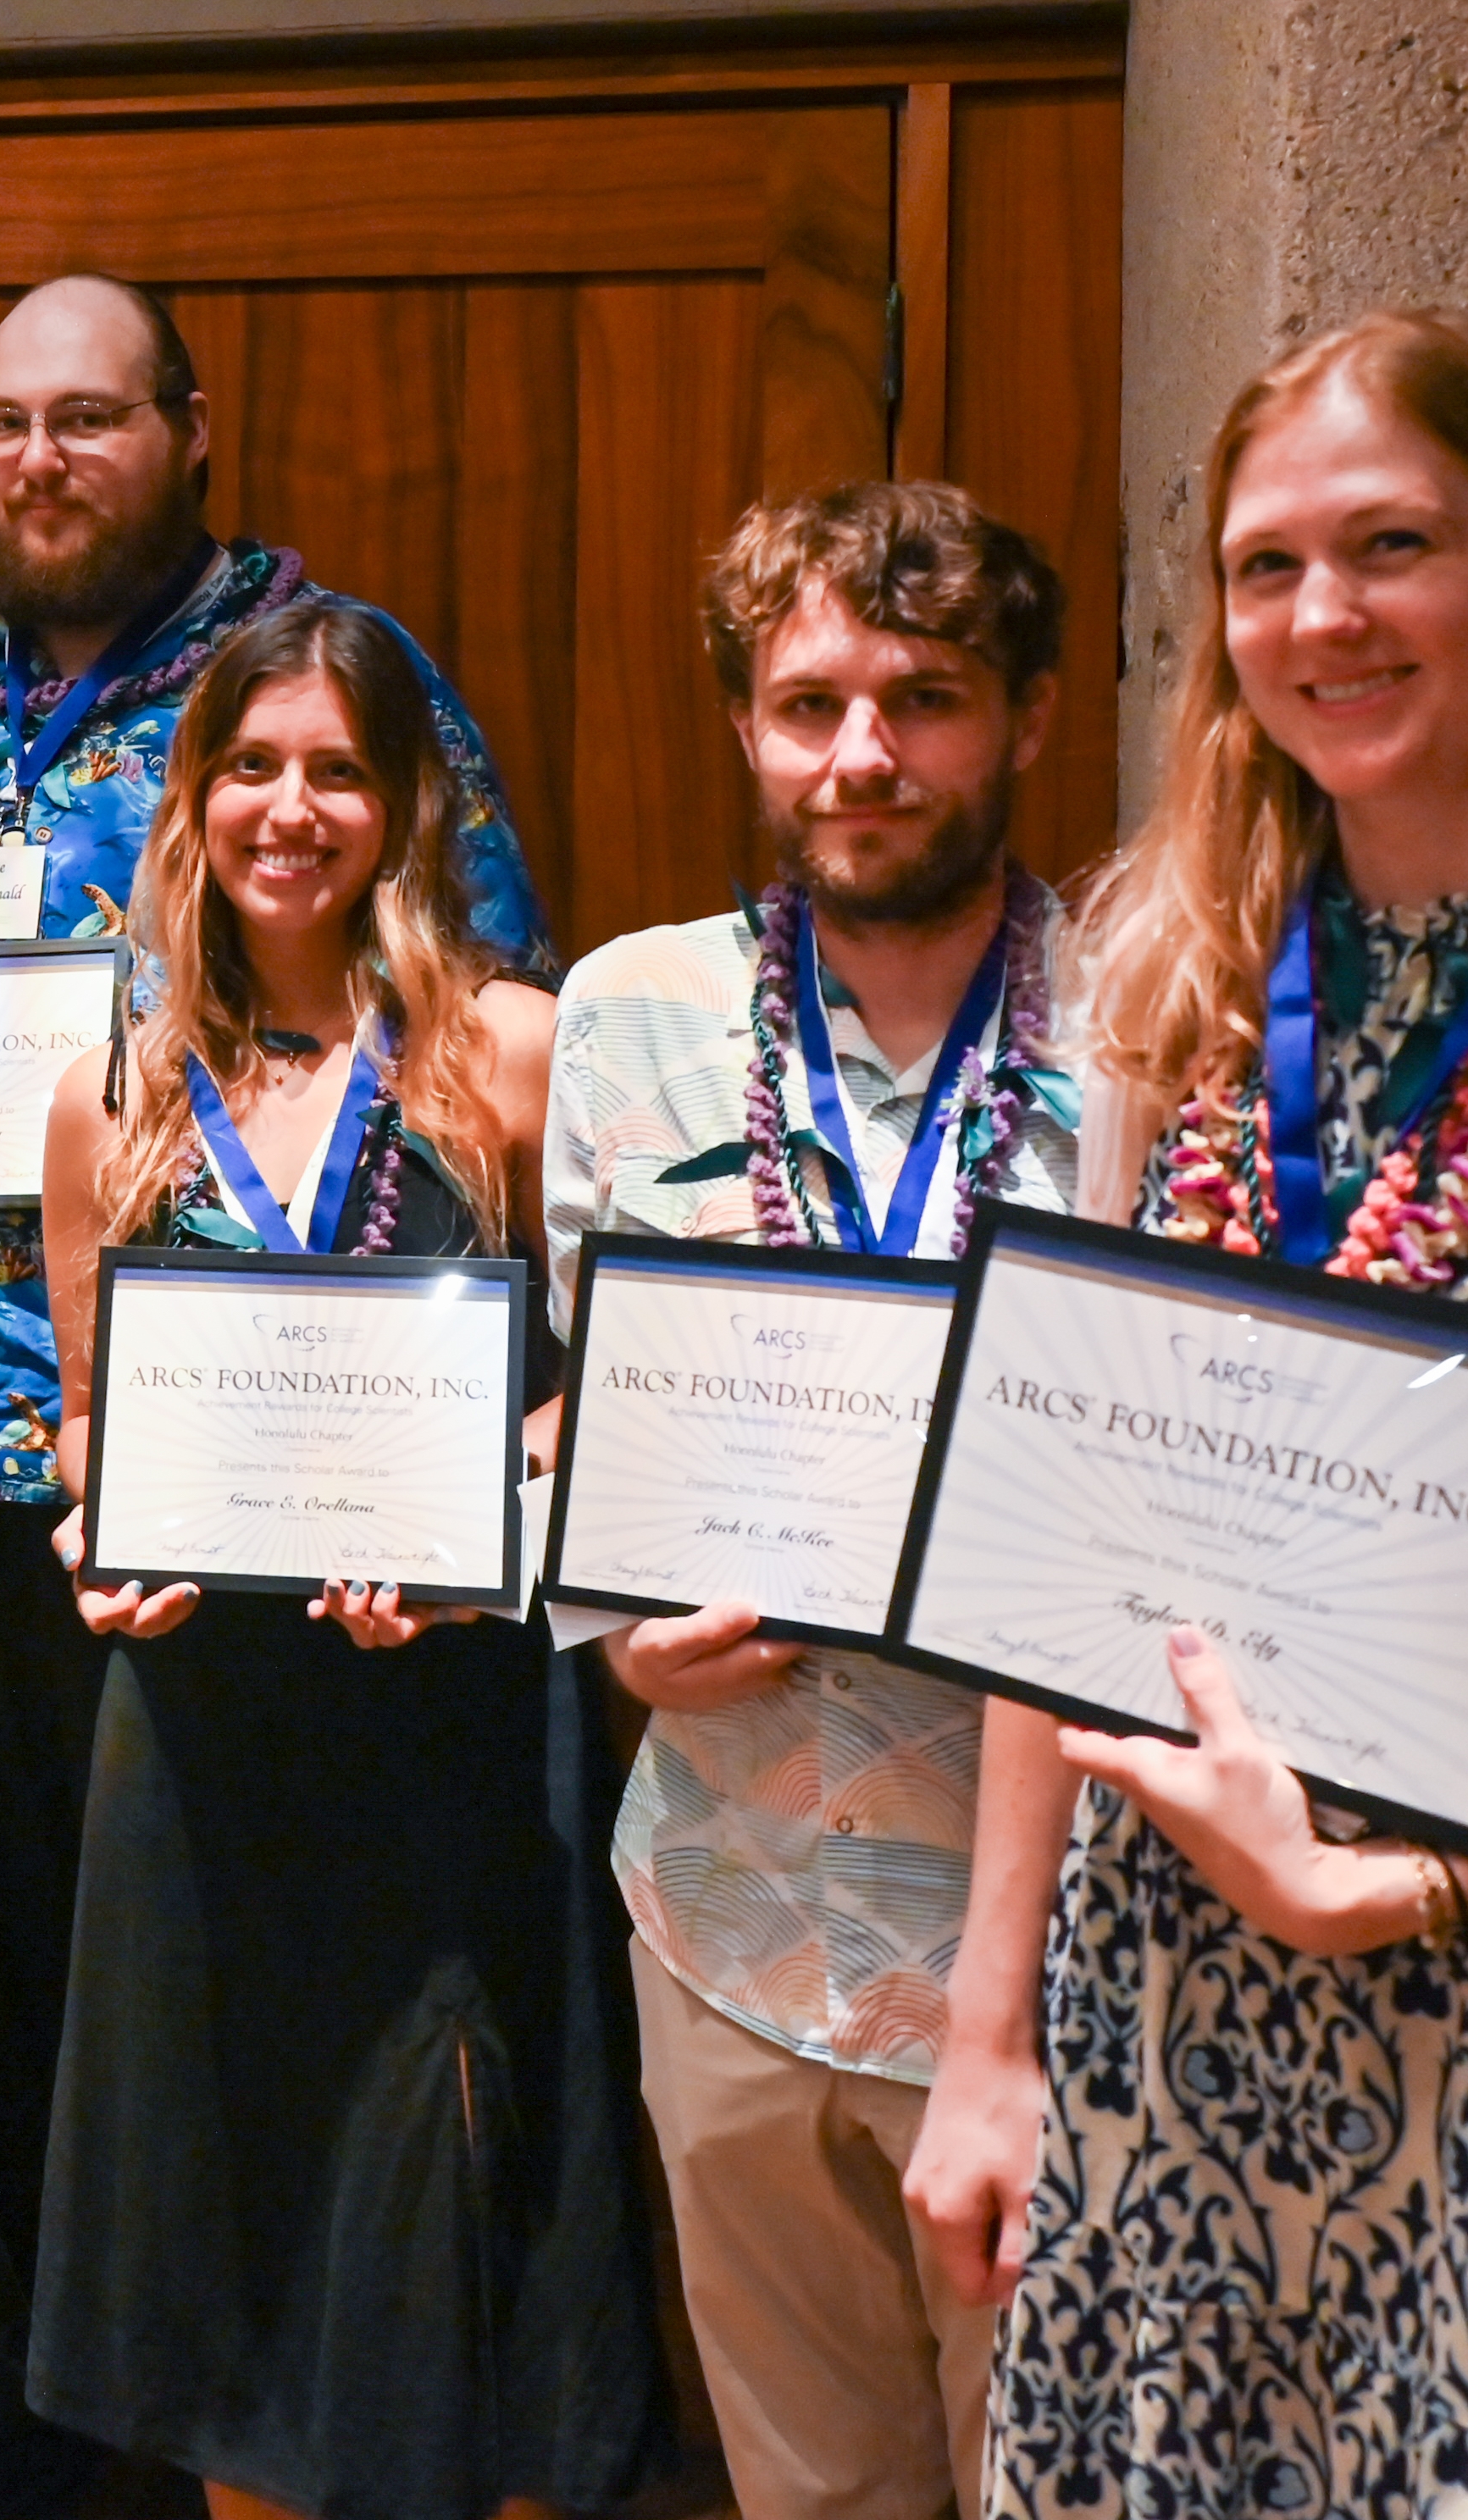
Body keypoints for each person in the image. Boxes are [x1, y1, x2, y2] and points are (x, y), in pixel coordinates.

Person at [899, 309, 1468, 2516]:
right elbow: (1062, 1574)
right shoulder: (1162, 994)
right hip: (1165, 2044)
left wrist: (1401, 1882)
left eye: (1393, 542)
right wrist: (986, 2027)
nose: (1320, 616)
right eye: (1263, 565)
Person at [0, 269, 545, 2520]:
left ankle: (167, 2429)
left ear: (186, 428)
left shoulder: (317, 678)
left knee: (161, 1986)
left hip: (242, 1464)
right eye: (3, 424)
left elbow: (482, 1000)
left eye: (86, 418)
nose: (38, 462)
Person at [30, 600, 670, 2520]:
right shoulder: (113, 1097)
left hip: (447, 1730)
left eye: (332, 769)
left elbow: (611, 1403)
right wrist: (92, 1540)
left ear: (401, 805)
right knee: (242, 2263)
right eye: (247, 766)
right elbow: (84, 1422)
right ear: (191, 799)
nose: (285, 808)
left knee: (463, 2246)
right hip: (205, 1743)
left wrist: (473, 1499)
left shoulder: (512, 1054)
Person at [544, 482, 1071, 2520]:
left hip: (1040, 1945)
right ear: (746, 728)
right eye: (805, 703)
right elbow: (587, 1410)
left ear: (1021, 716)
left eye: (921, 699)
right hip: (726, 1913)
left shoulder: (1154, 1012)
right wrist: (615, 1638)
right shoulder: (626, 1014)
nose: (859, 756)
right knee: (807, 2498)